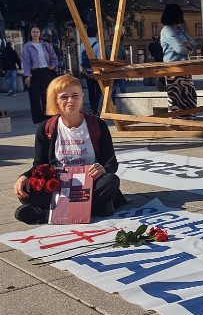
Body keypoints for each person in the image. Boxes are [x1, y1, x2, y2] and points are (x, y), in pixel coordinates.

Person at [13, 75, 125, 224]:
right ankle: (97, 208)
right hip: (59, 185)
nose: (71, 101)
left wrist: (103, 169)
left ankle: (48, 213)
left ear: (82, 96)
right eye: (64, 97)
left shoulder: (98, 126)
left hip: (90, 184)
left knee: (111, 181)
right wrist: (24, 176)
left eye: (75, 95)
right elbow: (39, 164)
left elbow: (112, 163)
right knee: (24, 190)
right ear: (55, 100)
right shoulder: (46, 128)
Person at [160, 3, 197, 112]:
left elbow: (193, 42)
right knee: (176, 99)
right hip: (173, 69)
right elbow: (180, 49)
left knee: (190, 97)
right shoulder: (167, 30)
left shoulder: (179, 29)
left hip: (184, 68)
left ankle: (188, 121)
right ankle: (177, 123)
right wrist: (189, 50)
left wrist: (188, 45)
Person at [22, 24, 59, 123]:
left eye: (37, 32)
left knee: (47, 95)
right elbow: (26, 62)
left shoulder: (46, 45)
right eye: (33, 32)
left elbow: (53, 57)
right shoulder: (27, 46)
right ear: (30, 33)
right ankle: (38, 119)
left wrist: (53, 65)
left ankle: (48, 116)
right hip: (34, 72)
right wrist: (27, 75)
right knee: (34, 96)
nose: (35, 34)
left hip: (46, 71)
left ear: (40, 33)